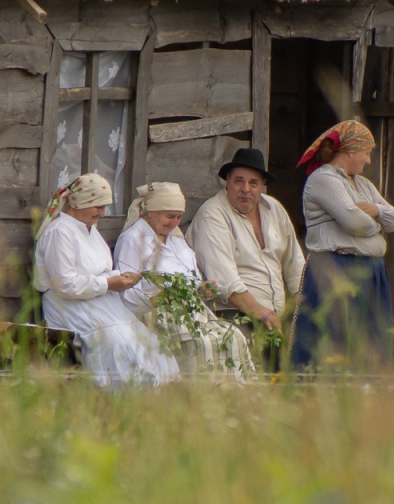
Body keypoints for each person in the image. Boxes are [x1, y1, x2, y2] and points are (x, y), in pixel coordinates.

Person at [32, 173, 178, 388]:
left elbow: (100, 270)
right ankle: (117, 397)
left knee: (149, 343)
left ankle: (157, 397)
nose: (102, 213)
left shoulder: (90, 230)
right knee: (118, 342)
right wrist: (109, 284)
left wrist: (121, 277)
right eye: (98, 207)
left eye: (105, 207)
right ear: (80, 203)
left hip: (102, 303)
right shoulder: (60, 232)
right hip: (70, 305)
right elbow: (64, 284)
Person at [291, 120, 394, 372]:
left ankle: (367, 394)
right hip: (337, 267)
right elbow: (354, 223)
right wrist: (378, 224)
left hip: (372, 270)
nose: (369, 160)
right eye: (367, 152)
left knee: (373, 343)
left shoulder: (363, 184)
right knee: (334, 341)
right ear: (351, 150)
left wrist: (376, 210)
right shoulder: (322, 179)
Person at [113, 181, 253, 375]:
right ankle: (199, 391)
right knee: (202, 344)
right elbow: (127, 291)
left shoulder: (177, 241)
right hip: (157, 314)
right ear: (151, 212)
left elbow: (191, 281)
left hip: (192, 312)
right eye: (170, 216)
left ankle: (231, 391)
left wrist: (202, 289)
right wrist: (159, 297)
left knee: (234, 337)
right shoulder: (133, 239)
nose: (175, 223)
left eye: (179, 217)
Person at [186, 147, 304, 370]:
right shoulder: (213, 215)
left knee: (298, 373)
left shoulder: (274, 208)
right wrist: (260, 312)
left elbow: (295, 262)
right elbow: (225, 281)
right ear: (227, 182)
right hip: (230, 317)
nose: (245, 189)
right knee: (254, 380)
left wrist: (302, 309)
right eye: (239, 181)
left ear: (263, 186)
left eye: (253, 183)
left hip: (272, 320)